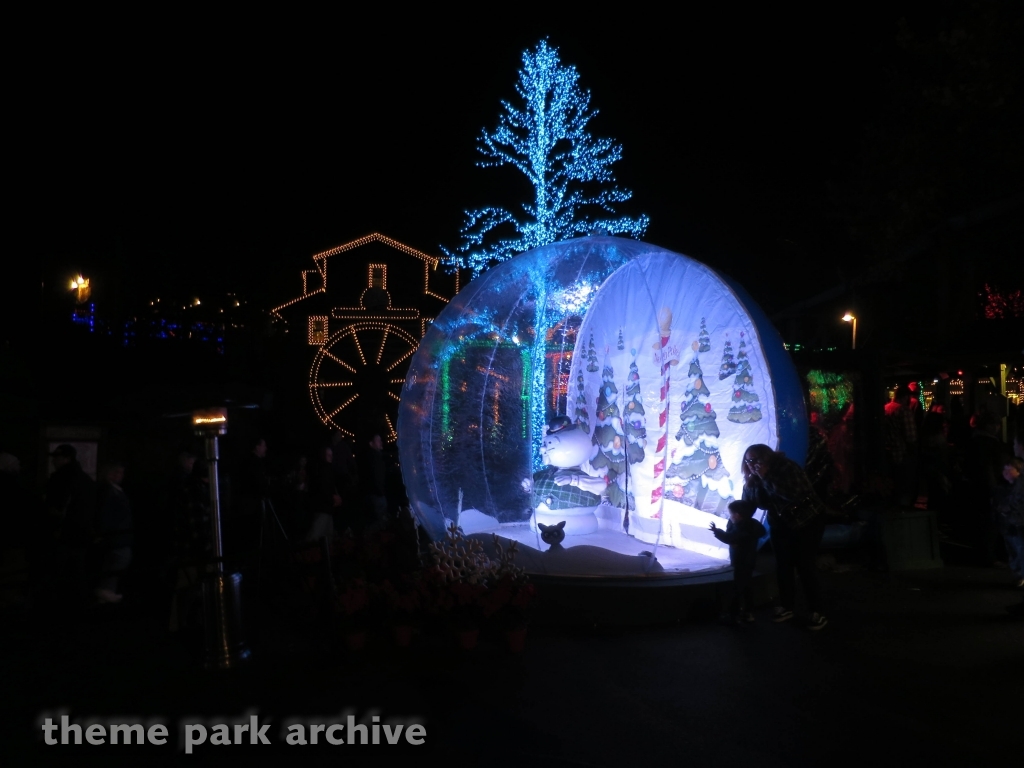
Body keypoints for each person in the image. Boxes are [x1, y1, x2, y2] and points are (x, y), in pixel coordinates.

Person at [741, 443, 828, 630]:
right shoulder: (753, 478)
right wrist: (736, 518)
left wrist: (766, 477)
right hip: (781, 523)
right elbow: (749, 503)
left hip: (807, 520)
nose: (751, 464)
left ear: (767, 457)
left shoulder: (785, 467)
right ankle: (788, 606)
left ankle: (817, 611)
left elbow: (793, 494)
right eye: (748, 460)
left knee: (805, 565)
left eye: (755, 459)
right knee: (783, 565)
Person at [44, 444, 97, 609]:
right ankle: (79, 604)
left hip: (62, 532)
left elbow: (54, 507)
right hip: (82, 532)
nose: (53, 460)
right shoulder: (85, 479)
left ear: (66, 459)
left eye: (57, 457)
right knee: (78, 569)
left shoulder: (60, 478)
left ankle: (55, 605)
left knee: (57, 570)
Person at [709, 499, 766, 624]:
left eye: (731, 515)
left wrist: (716, 531)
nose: (730, 517)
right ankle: (748, 612)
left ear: (737, 515)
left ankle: (734, 615)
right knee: (747, 586)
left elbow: (729, 537)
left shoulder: (740, 528)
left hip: (741, 561)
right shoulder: (753, 525)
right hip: (750, 561)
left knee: (738, 587)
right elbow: (762, 531)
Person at [94, 461, 133, 604]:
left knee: (115, 562)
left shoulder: (114, 490)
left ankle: (106, 591)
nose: (119, 475)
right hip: (116, 534)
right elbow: (104, 514)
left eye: (121, 472)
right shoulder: (108, 491)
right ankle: (105, 589)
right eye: (116, 472)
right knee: (118, 560)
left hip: (119, 533)